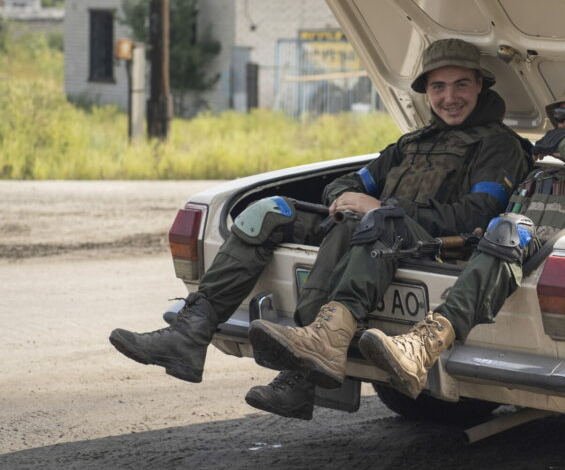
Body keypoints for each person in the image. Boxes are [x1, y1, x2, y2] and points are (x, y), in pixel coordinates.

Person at [109, 38, 531, 420]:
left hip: (426, 242)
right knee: (269, 210)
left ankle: (303, 375)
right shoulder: (411, 142)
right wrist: (347, 198)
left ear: (479, 85)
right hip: (374, 228)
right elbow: (351, 181)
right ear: (426, 91)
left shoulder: (498, 145)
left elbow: (478, 214)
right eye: (438, 87)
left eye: (460, 85)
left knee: (372, 221)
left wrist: (381, 206)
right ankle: (190, 332)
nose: (449, 97)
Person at [354, 78, 565, 400]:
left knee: (510, 229)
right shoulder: (542, 174)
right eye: (560, 117)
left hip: (556, 269)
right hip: (507, 265)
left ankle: (424, 343)